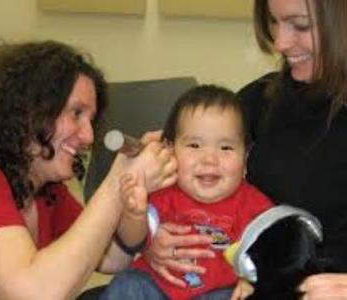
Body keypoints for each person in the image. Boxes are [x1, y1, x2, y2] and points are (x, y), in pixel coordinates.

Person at [147, 1, 347, 299]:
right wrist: (153, 242)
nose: (279, 42)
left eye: (301, 25)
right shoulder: (259, 102)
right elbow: (175, 186)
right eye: (274, 22)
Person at [0, 40, 177, 300]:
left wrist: (138, 210)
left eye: (90, 120)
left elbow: (111, 257)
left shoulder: (46, 192)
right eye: (76, 113)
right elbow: (35, 293)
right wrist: (117, 182)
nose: (89, 136)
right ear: (28, 110)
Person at [100, 84, 273, 300]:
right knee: (127, 284)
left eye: (226, 148)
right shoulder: (163, 192)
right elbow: (133, 241)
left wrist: (252, 281)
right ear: (170, 150)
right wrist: (134, 214)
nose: (209, 159)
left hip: (219, 292)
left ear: (245, 157)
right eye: (194, 145)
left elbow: (274, 253)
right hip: (156, 289)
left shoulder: (255, 206)